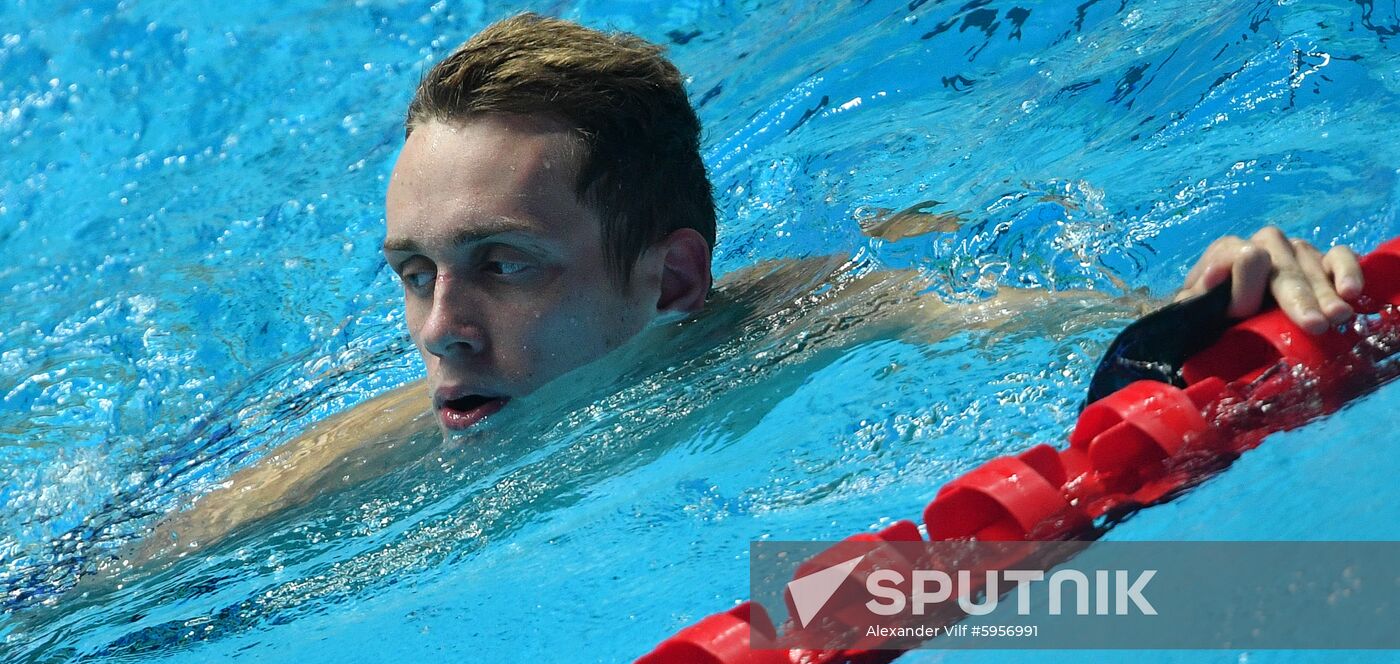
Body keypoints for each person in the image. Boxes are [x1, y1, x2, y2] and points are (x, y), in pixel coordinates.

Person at [118, 13, 1365, 570]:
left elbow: (1029, 323)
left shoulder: (801, 324)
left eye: (501, 265)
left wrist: (1215, 300)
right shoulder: (399, 445)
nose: (440, 331)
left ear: (672, 279)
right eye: (414, 272)